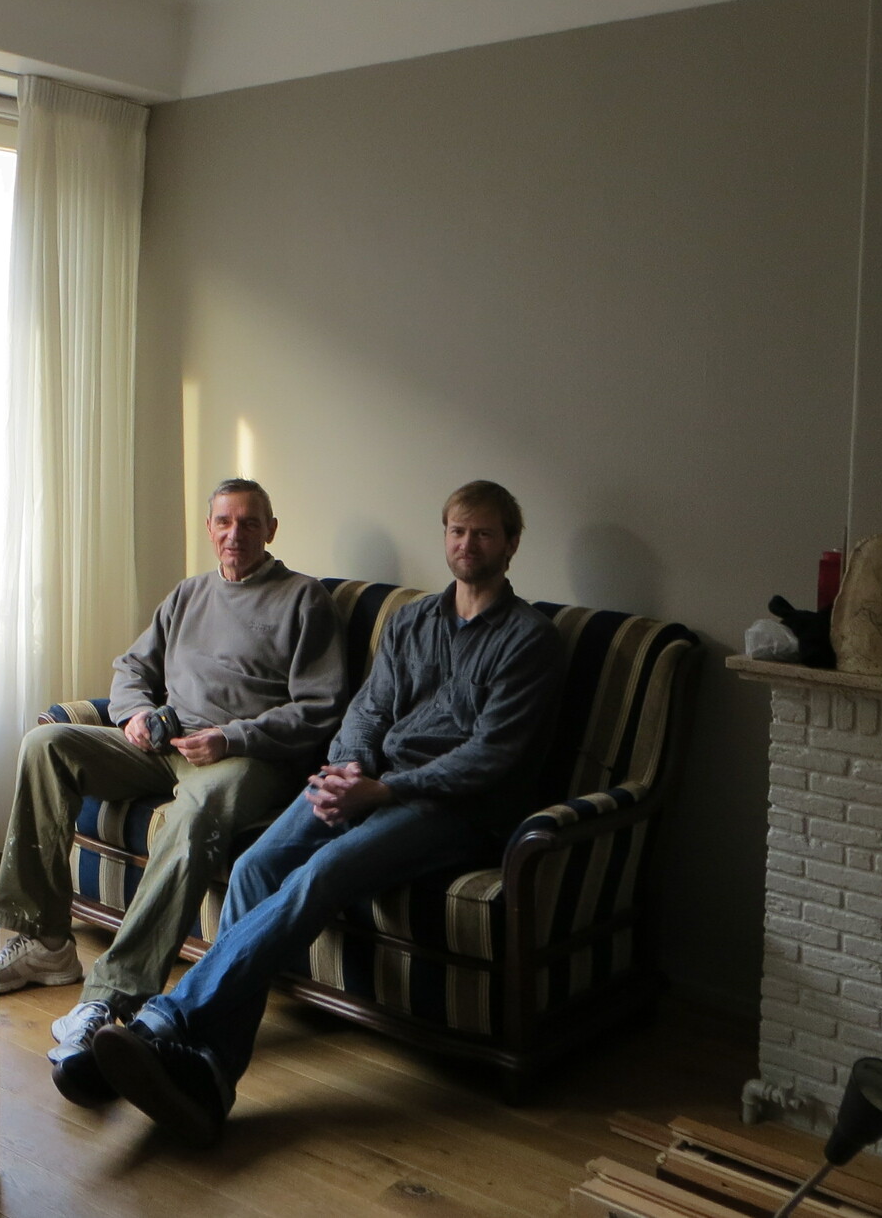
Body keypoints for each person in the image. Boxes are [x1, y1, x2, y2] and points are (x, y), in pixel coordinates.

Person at [90, 480, 566, 1146]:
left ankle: (169, 1019)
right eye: (458, 531)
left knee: (323, 872)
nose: (468, 544)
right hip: (369, 782)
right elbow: (367, 710)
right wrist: (349, 768)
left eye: (484, 533)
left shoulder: (530, 640)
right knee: (256, 867)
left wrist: (384, 790)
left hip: (454, 809)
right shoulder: (413, 621)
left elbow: (493, 757)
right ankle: (211, 1076)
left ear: (511, 544)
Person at [0, 478, 346, 1105]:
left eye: (250, 523)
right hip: (165, 744)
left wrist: (231, 737)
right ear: (210, 528)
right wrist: (133, 715)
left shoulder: (302, 599)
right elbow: (132, 668)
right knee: (45, 744)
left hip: (245, 758)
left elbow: (320, 709)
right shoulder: (188, 594)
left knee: (196, 812)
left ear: (271, 529)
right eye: (224, 522)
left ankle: (110, 997)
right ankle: (43, 940)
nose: (235, 534)